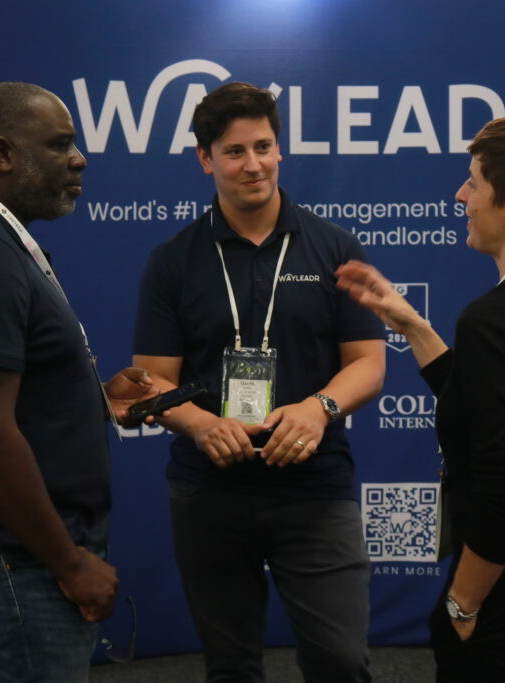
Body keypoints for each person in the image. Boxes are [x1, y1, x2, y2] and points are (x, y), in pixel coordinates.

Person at [0, 82, 161, 683]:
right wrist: (68, 564)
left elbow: (12, 397)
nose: (80, 158)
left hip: (18, 564)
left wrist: (94, 399)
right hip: (14, 570)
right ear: (2, 154)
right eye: (60, 144)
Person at [336, 111, 505, 682]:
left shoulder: (495, 319)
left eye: (474, 183)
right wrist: (411, 325)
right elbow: (481, 404)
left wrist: (461, 605)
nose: (460, 194)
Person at [131, 82, 386, 682]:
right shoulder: (173, 260)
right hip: (210, 491)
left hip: (314, 486)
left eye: (264, 146)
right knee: (231, 667)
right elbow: (150, 383)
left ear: (280, 148)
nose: (254, 165)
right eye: (235, 152)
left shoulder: (333, 246)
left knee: (341, 661)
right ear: (205, 159)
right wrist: (198, 423)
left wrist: (319, 408)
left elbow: (369, 363)